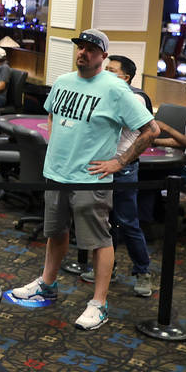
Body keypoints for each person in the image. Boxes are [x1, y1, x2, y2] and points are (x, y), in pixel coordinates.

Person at [9, 29, 157, 330]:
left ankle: (99, 303)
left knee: (98, 240)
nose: (83, 53)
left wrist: (120, 161)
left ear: (103, 56)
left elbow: (151, 130)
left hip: (91, 179)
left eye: (91, 49)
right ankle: (47, 284)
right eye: (80, 47)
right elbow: (51, 116)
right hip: (56, 173)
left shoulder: (116, 90)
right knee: (56, 231)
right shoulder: (63, 82)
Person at [80, 54, 155, 298]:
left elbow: (149, 132)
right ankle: (106, 269)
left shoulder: (133, 98)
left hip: (123, 168)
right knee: (103, 221)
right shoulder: (105, 92)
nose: (106, 73)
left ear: (126, 77)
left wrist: (121, 161)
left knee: (127, 221)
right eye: (106, 68)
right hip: (101, 166)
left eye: (112, 70)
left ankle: (143, 271)